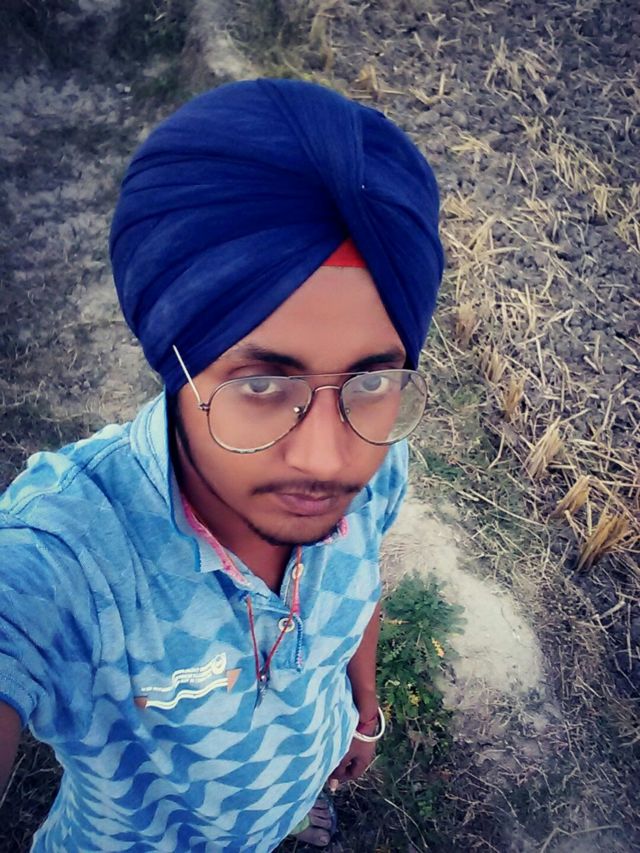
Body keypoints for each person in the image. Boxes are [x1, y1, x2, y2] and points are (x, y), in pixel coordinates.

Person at [0, 78, 443, 851]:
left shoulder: (378, 470)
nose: (329, 460)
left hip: (299, 775)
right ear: (174, 361)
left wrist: (362, 711)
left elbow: (360, 581)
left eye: (371, 381)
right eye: (263, 384)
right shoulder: (68, 556)